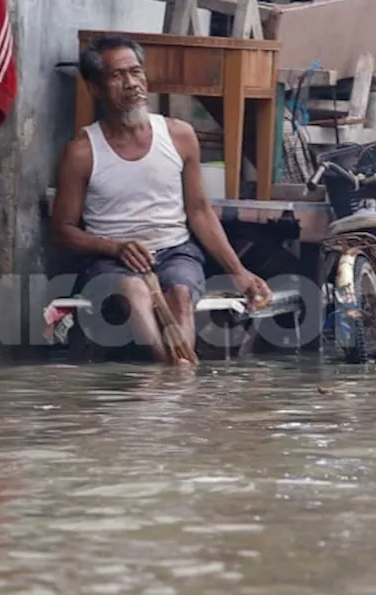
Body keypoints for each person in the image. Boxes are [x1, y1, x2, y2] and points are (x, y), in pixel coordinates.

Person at [51, 34, 272, 363]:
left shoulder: (180, 135)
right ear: (96, 89)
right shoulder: (82, 152)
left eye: (136, 72)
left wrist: (237, 270)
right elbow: (63, 230)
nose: (131, 83)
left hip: (175, 252)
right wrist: (116, 247)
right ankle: (173, 374)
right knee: (135, 292)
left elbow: (199, 212)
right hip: (109, 261)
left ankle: (170, 380)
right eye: (117, 76)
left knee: (180, 295)